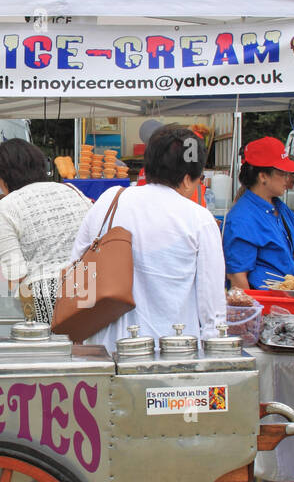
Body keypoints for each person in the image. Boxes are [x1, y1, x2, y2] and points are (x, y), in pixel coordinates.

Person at [68, 124, 225, 352]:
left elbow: (77, 269)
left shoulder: (109, 200)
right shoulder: (199, 219)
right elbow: (212, 309)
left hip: (105, 350)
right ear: (188, 178)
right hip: (171, 353)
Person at [0, 138, 92, 323]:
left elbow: (15, 271)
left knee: (54, 349)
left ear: (5, 177)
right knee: (85, 348)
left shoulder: (8, 205)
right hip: (88, 288)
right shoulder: (72, 190)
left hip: (44, 297)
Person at [222, 137, 294, 290]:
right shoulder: (242, 218)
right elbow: (237, 278)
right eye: (282, 173)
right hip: (267, 308)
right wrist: (253, 311)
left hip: (293, 304)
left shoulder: (283, 211)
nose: (287, 179)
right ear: (263, 176)